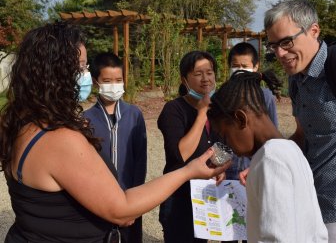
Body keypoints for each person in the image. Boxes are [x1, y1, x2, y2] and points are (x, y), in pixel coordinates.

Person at [0, 22, 231, 243]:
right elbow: (121, 210)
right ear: (58, 73)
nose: (86, 75)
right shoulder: (61, 139)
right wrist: (189, 171)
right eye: (81, 66)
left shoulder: (22, 124)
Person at [264, 0, 336, 243]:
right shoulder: (296, 78)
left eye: (286, 42)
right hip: (312, 206)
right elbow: (302, 136)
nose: (280, 53)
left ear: (314, 30)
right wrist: (266, 166)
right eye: (273, 46)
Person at [208, 70, 328, 243]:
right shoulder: (291, 150)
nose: (229, 145)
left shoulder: (270, 160)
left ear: (241, 119)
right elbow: (316, 228)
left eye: (225, 135)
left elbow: (277, 238)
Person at [157, 50, 225, 243]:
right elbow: (180, 154)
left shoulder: (218, 109)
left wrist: (219, 167)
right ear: (184, 79)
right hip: (179, 198)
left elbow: (221, 144)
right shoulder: (173, 109)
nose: (206, 79)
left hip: (206, 196)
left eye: (210, 72)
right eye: (198, 74)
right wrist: (202, 112)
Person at [83, 52, 147, 243]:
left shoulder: (134, 115)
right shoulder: (85, 120)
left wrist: (136, 201)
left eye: (118, 80)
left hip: (130, 201)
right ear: (96, 83)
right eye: (107, 80)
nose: (114, 85)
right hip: (98, 203)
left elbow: (140, 160)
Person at [226, 42, 281, 184]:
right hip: (227, 172)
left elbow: (272, 138)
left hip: (254, 171)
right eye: (235, 66)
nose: (239, 70)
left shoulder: (266, 97)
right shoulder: (223, 98)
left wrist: (259, 166)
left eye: (244, 66)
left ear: (255, 67)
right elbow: (217, 137)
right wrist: (217, 166)